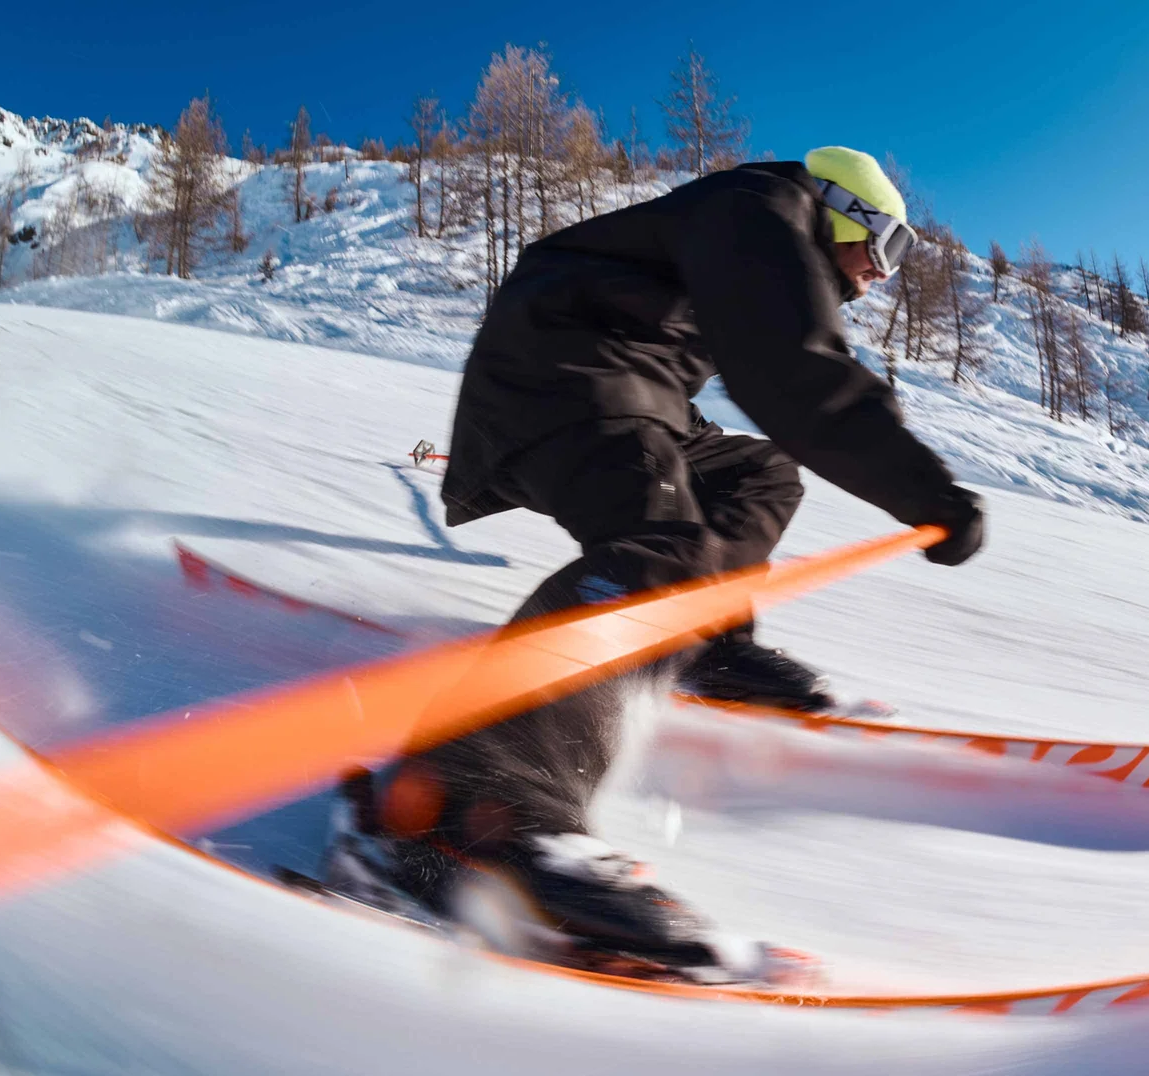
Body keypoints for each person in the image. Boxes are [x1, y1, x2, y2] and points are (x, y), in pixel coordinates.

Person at [334, 147, 984, 982]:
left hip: (630, 391)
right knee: (666, 553)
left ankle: (703, 636)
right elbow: (795, 373)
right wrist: (926, 492)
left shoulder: (765, 235)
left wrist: (910, 473)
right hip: (560, 378)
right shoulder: (761, 210)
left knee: (758, 475)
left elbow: (815, 363)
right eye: (882, 244)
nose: (879, 271)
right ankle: (468, 806)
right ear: (837, 207)